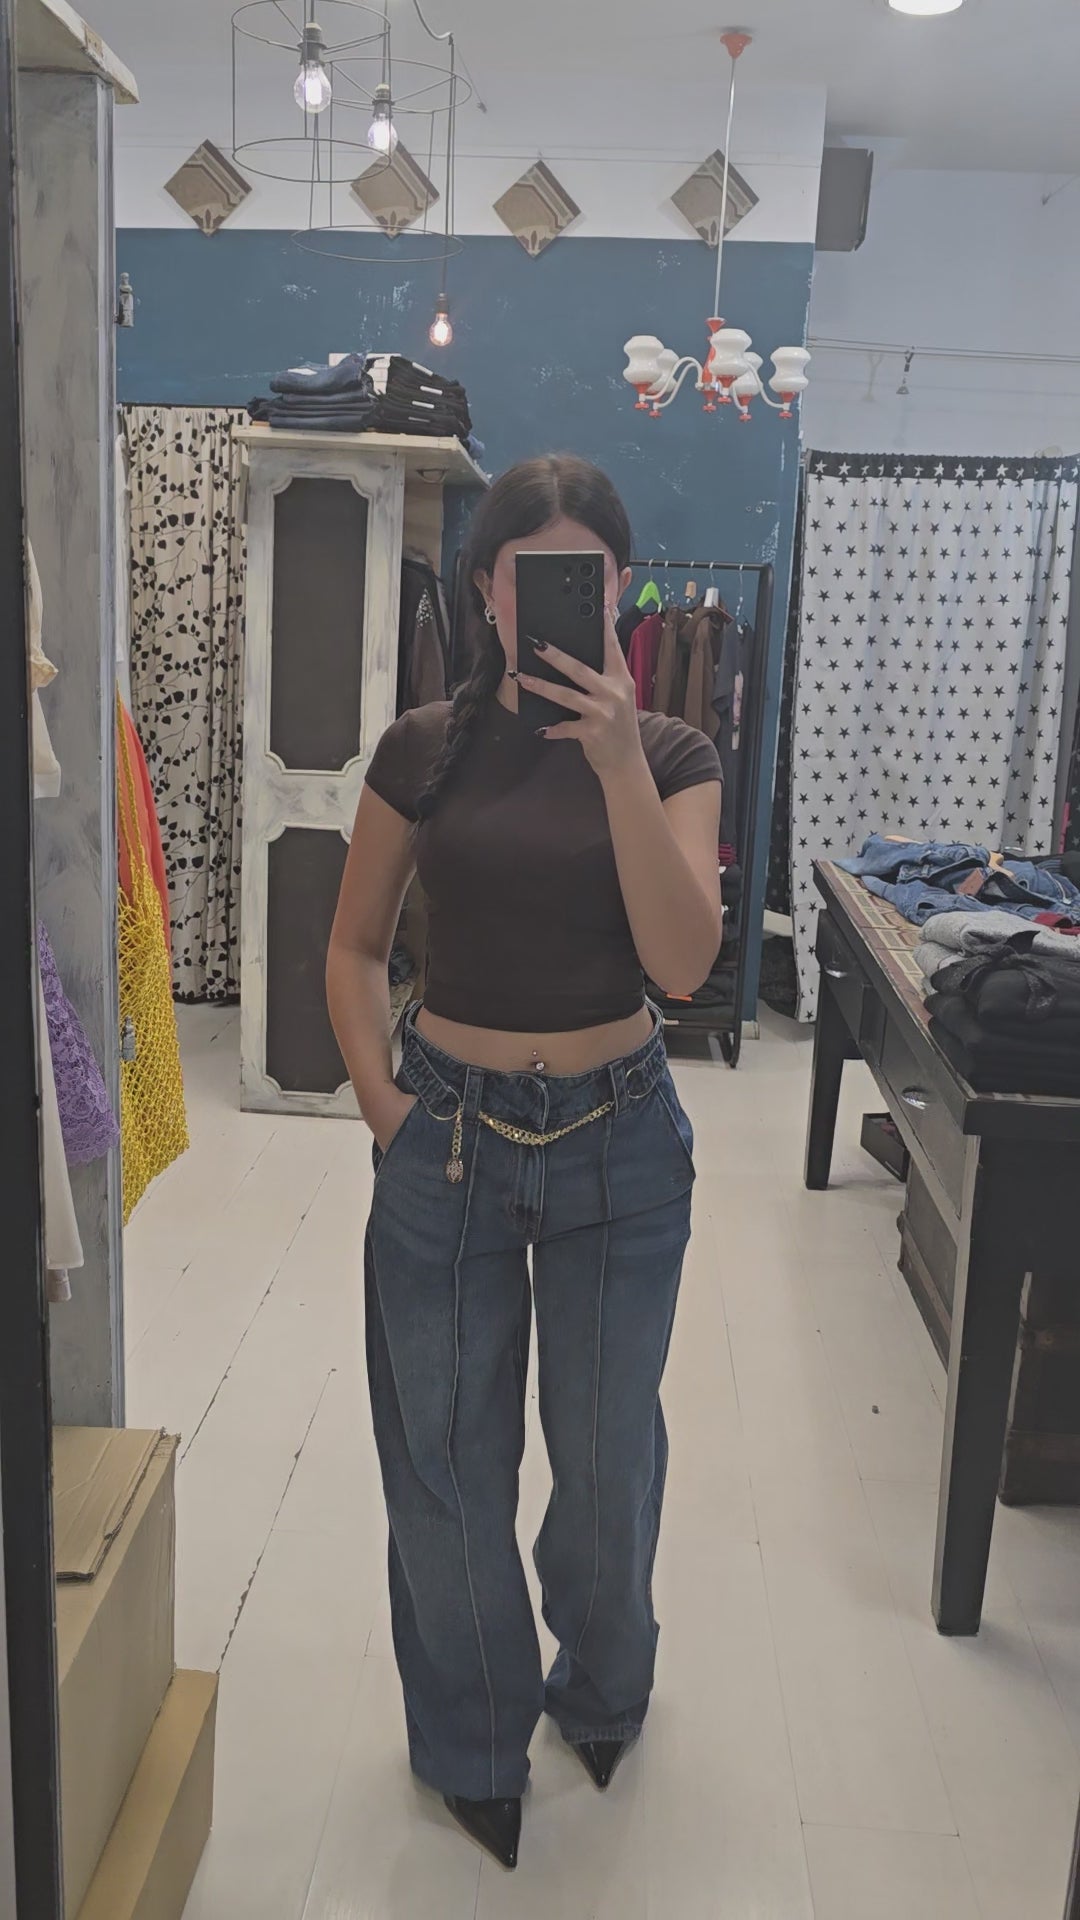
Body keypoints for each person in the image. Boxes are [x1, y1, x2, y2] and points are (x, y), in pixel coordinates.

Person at [326, 454, 722, 1871]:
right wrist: (386, 1111)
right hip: (445, 1142)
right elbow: (353, 948)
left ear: (621, 587)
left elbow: (684, 964)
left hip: (622, 1141)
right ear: (487, 590)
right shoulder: (420, 746)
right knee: (443, 1465)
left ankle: (604, 1687)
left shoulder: (670, 752)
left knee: (607, 1460)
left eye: (587, 577)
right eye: (527, 574)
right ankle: (473, 1735)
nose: (555, 598)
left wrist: (614, 764)